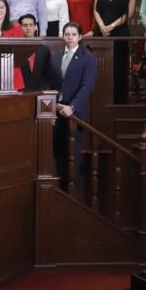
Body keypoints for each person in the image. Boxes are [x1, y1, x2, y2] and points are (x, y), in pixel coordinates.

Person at [50, 22, 97, 191]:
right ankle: (60, 189)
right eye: (67, 34)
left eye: (73, 34)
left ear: (80, 37)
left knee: (73, 154)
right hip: (55, 112)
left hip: (74, 114)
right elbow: (51, 83)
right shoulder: (55, 56)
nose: (69, 38)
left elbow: (87, 86)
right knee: (58, 153)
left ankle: (73, 191)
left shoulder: (88, 58)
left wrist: (72, 107)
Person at [94, 0, 135, 104]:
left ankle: (119, 100)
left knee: (119, 66)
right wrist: (102, 27)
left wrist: (111, 26)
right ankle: (101, 97)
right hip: (102, 33)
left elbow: (128, 14)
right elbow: (96, 11)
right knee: (101, 66)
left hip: (120, 33)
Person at [18, 14, 53, 91]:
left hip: (40, 91)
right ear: (20, 27)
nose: (28, 28)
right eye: (25, 25)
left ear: (35, 27)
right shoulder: (16, 49)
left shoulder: (44, 49)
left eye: (31, 25)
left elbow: (48, 74)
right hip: (21, 91)